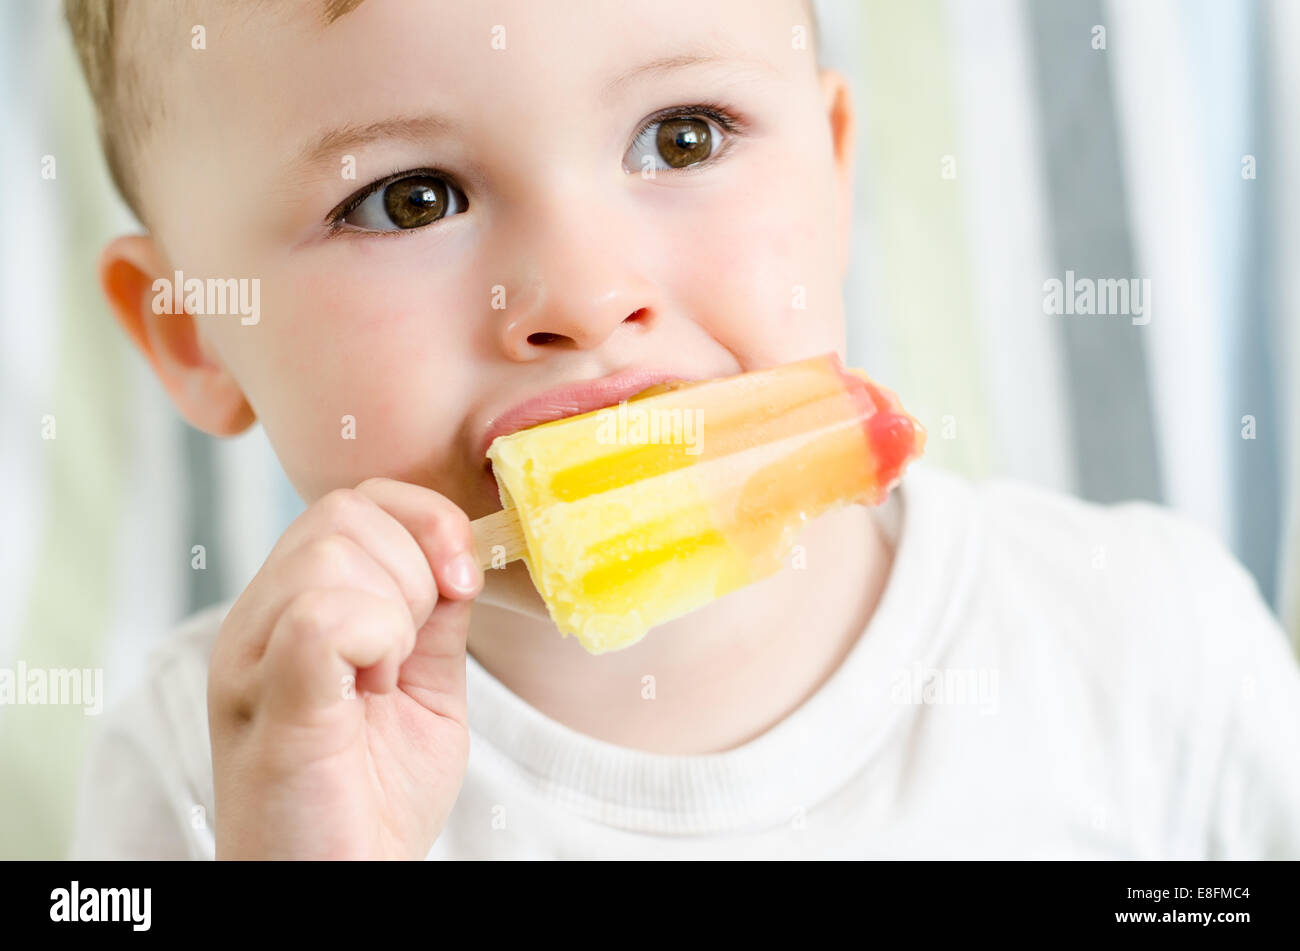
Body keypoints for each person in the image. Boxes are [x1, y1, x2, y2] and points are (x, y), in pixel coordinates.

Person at [63, 0, 1300, 859]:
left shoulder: (1150, 656)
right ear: (192, 332)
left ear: (832, 175)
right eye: (409, 199)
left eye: (682, 135)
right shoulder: (215, 769)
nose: (587, 295)